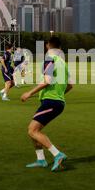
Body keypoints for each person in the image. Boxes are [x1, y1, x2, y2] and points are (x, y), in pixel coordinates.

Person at [21, 36, 72, 172]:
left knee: (32, 130)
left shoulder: (50, 59)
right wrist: (59, 94)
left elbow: (47, 80)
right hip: (58, 102)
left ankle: (57, 154)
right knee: (34, 130)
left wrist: (29, 93)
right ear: (60, 48)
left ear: (47, 46)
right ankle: (41, 160)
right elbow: (70, 86)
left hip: (51, 102)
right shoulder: (63, 63)